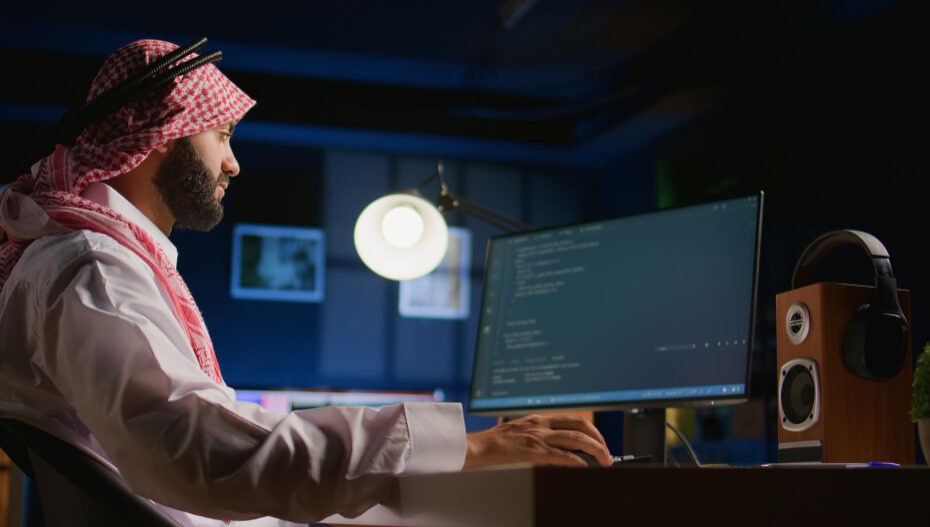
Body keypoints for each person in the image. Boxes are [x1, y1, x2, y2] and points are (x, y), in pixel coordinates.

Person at [0, 38, 611, 526]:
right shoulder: (93, 269)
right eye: (222, 137)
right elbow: (202, 452)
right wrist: (472, 448)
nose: (233, 163)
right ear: (162, 136)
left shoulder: (89, 257)